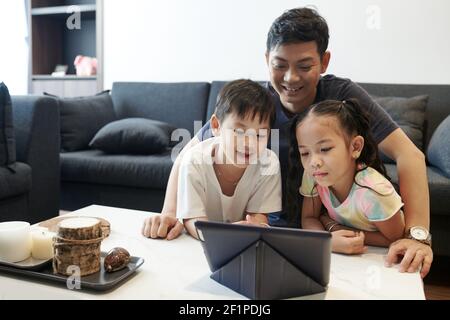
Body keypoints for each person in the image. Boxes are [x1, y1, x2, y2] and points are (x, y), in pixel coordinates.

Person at [142, 7, 432, 277]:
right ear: (267, 59)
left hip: (338, 233)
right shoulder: (254, 105)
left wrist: (417, 235)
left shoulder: (341, 95)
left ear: (324, 61)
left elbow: (410, 155)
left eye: (304, 66)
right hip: (275, 233)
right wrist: (170, 214)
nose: (291, 78)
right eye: (280, 65)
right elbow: (188, 153)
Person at [290, 98, 405, 254]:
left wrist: (334, 227)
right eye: (304, 153)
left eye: (324, 149)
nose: (313, 162)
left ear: (355, 147)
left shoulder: (374, 192)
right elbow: (309, 217)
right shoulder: (313, 176)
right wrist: (325, 240)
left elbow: (396, 238)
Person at [175, 79, 281, 239]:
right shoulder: (194, 160)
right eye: (239, 131)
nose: (250, 143)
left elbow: (258, 216)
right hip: (202, 245)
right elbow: (192, 219)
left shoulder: (269, 163)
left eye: (260, 135)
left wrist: (253, 227)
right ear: (216, 126)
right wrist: (223, 235)